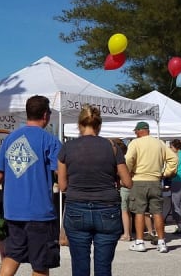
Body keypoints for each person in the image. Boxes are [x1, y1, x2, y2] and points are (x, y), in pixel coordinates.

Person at [0, 95, 61, 276]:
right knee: (40, 264)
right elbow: (60, 172)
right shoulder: (50, 141)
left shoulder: (11, 139)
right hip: (40, 212)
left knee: (13, 255)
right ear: (45, 115)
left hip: (13, 211)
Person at [58, 105, 132, 276]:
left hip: (76, 207)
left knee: (80, 267)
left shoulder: (67, 148)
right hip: (107, 209)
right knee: (104, 268)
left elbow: (62, 186)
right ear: (99, 125)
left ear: (79, 124)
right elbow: (128, 182)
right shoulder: (113, 147)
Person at [124, 121, 177, 254]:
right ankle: (162, 242)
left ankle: (140, 242)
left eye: (136, 131)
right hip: (155, 181)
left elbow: (129, 158)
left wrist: (128, 172)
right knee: (157, 212)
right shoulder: (159, 143)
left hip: (139, 180)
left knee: (139, 212)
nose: (135, 133)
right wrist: (166, 173)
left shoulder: (135, 143)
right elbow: (173, 159)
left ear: (140, 131)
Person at [110, 138, 133, 242]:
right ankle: (129, 232)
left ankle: (126, 234)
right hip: (130, 188)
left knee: (124, 212)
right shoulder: (129, 159)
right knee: (128, 212)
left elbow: (125, 179)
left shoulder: (122, 161)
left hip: (124, 188)